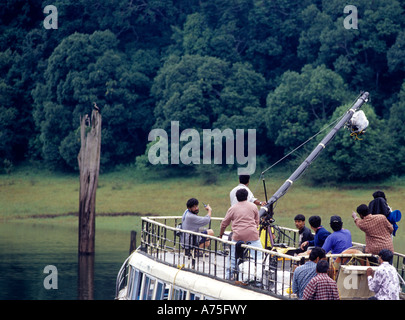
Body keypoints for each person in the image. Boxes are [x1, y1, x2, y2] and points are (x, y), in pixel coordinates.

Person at [220, 188, 263, 279]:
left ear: (236, 197)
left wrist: (221, 235)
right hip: (252, 234)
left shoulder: (232, 208)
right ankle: (259, 277)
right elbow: (257, 221)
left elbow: (224, 223)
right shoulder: (253, 206)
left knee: (232, 257)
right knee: (259, 256)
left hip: (238, 235)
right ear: (247, 196)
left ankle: (228, 276)